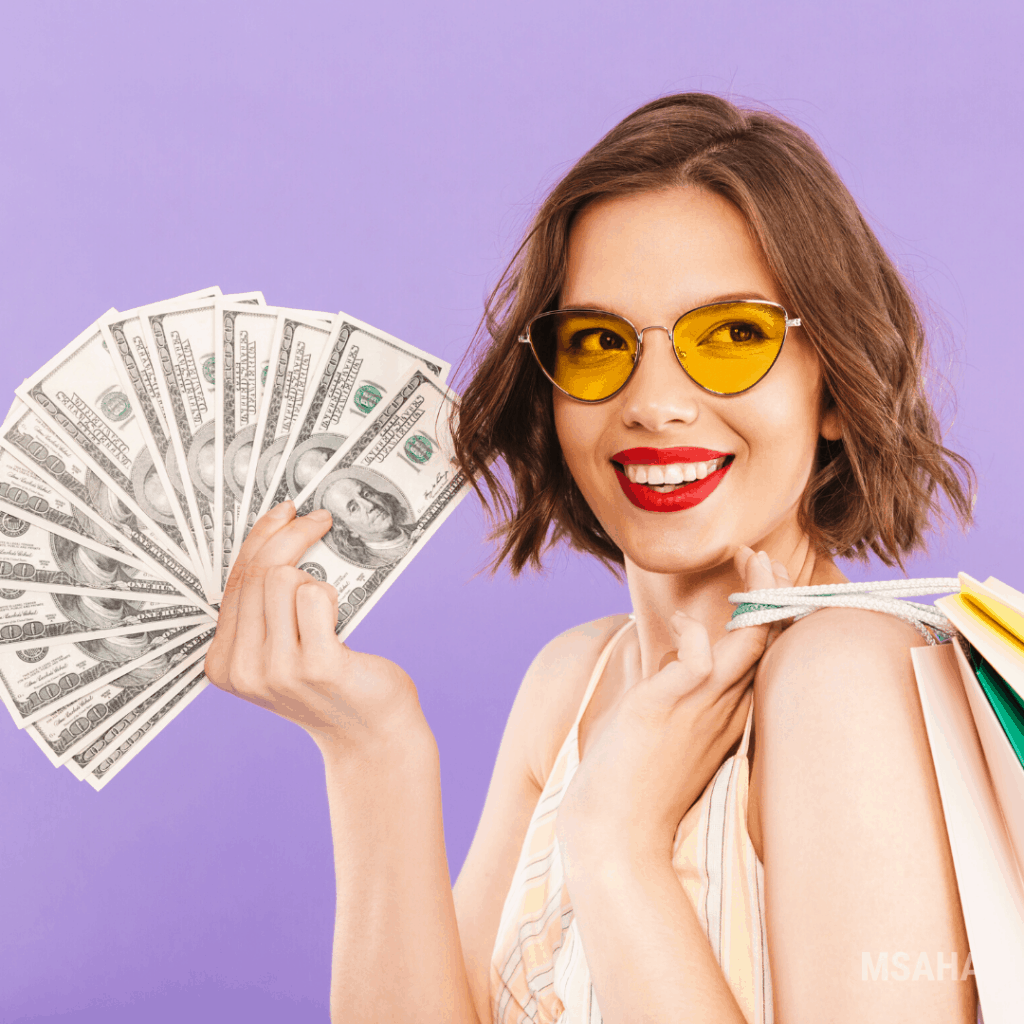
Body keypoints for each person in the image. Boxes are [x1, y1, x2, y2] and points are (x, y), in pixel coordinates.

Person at [205, 93, 977, 1024]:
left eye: (732, 336)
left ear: (837, 390)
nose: (654, 401)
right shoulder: (573, 682)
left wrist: (615, 838)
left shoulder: (846, 672)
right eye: (600, 343)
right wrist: (372, 750)